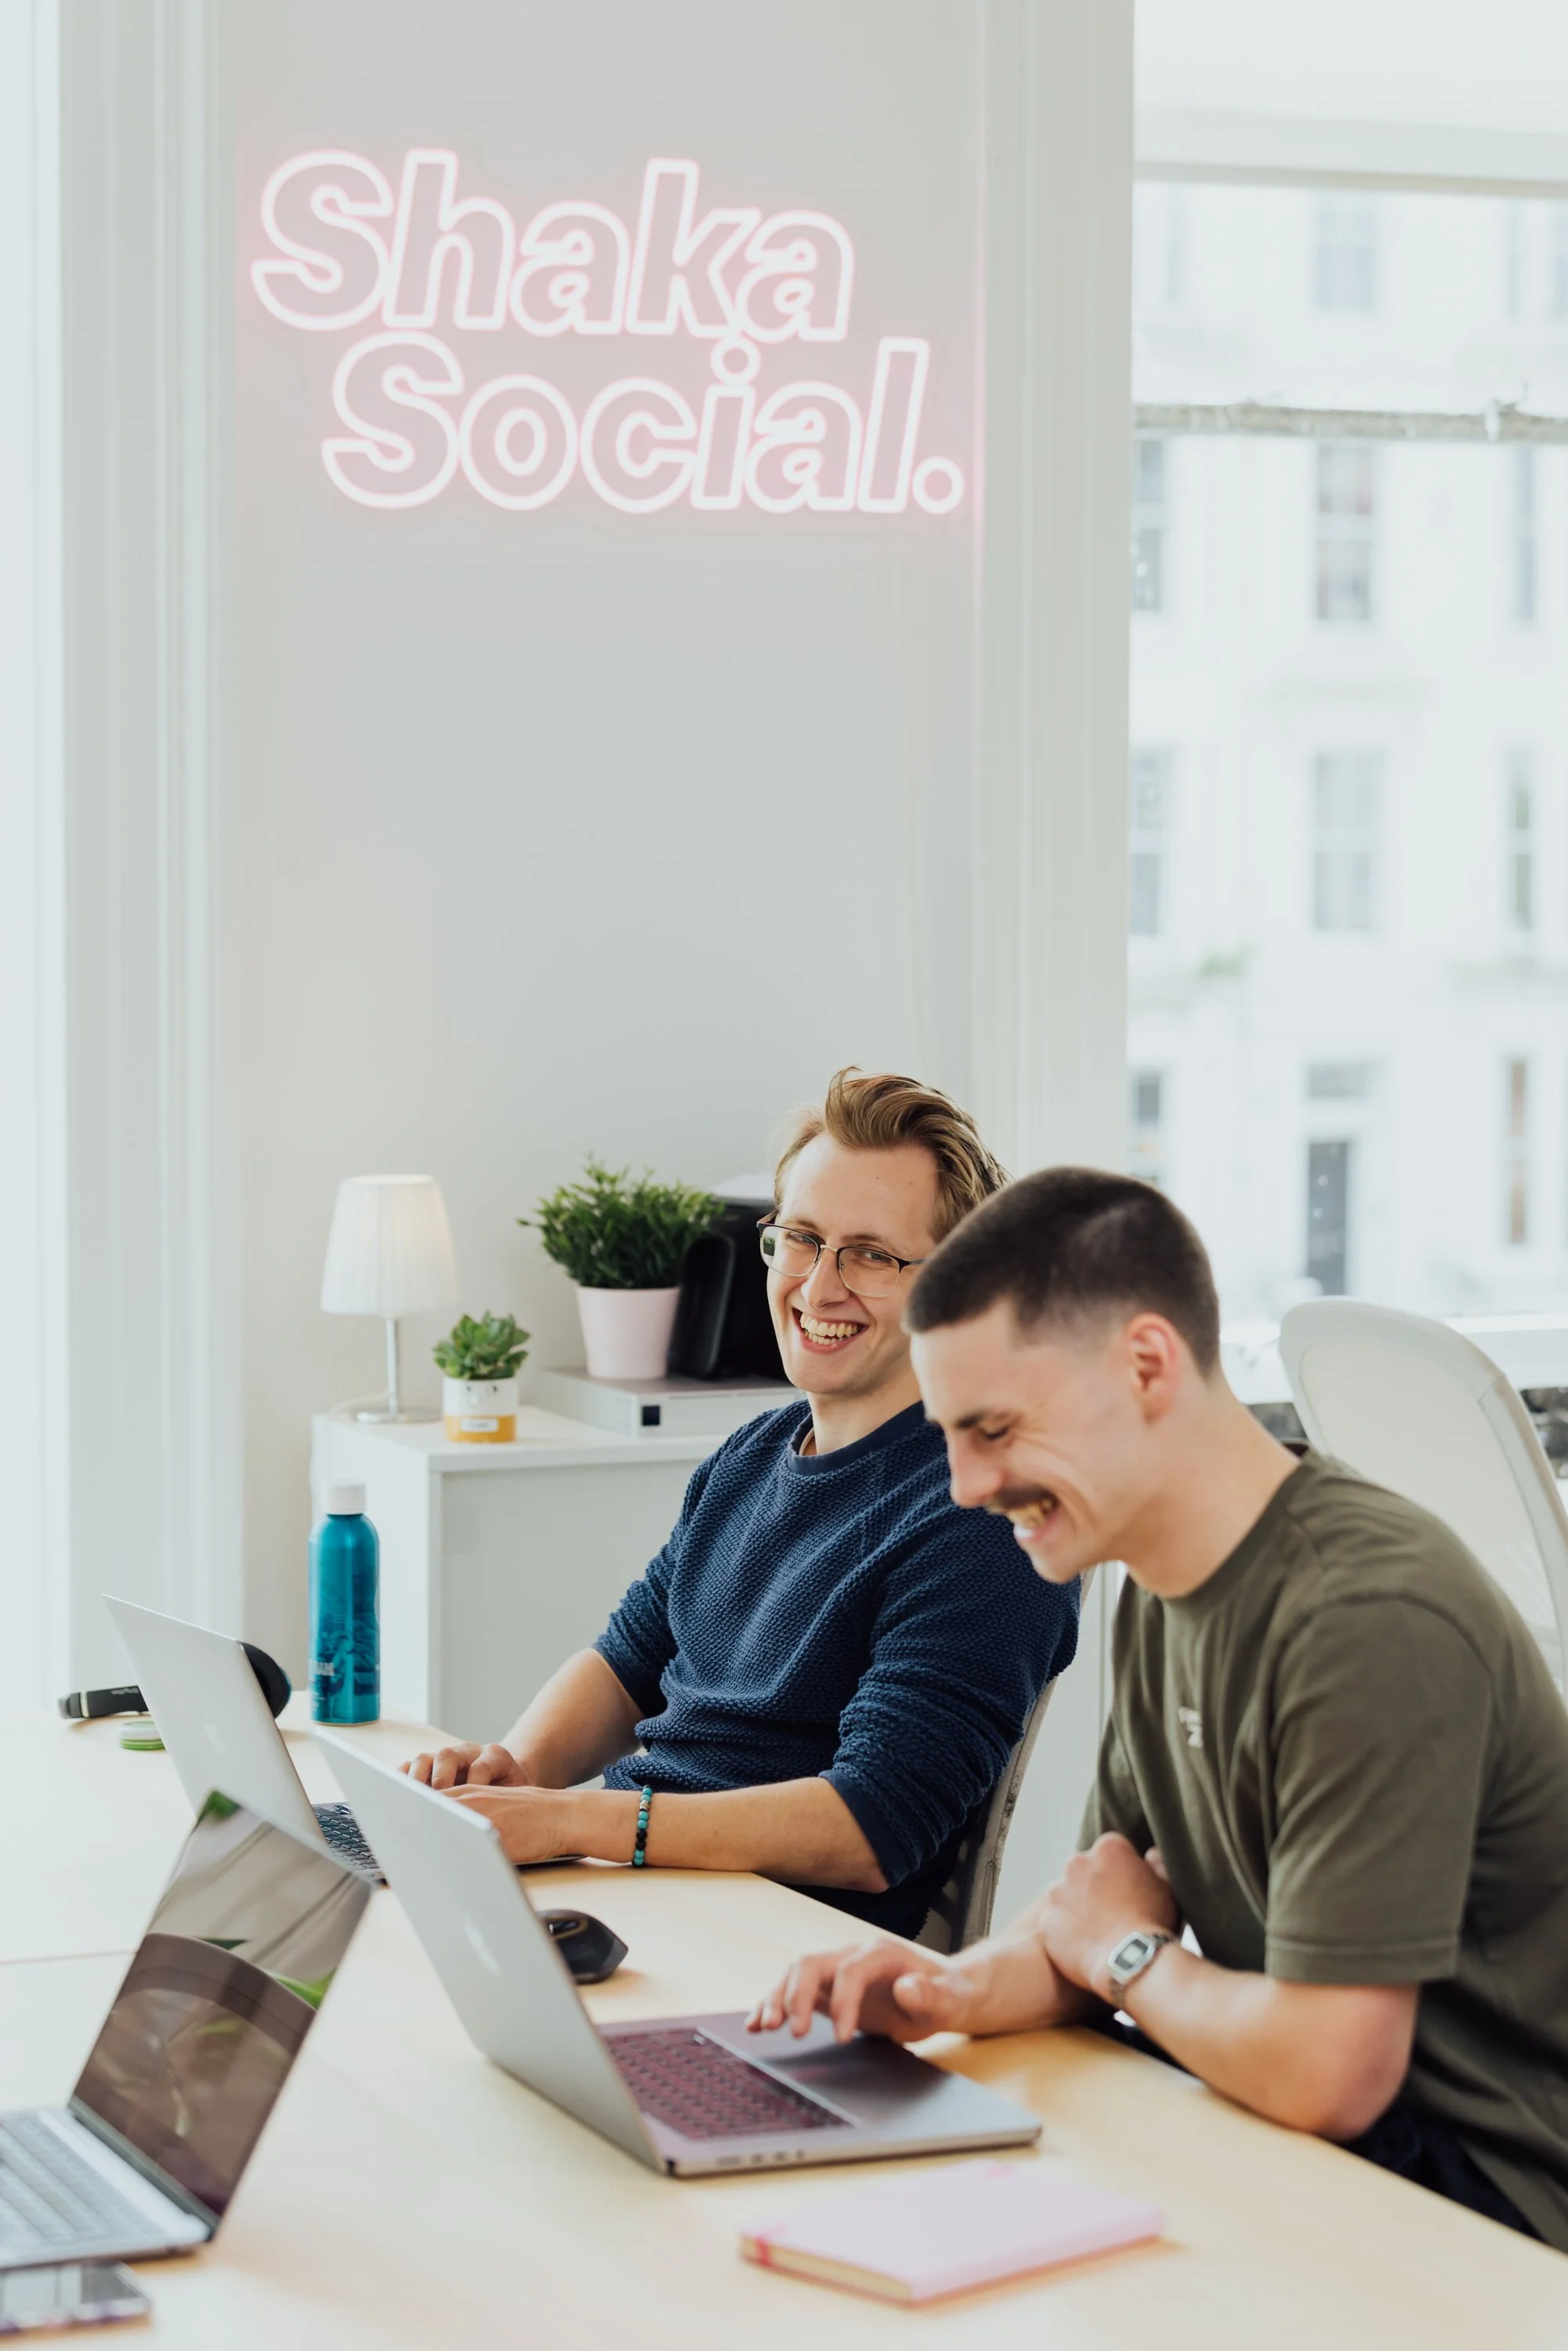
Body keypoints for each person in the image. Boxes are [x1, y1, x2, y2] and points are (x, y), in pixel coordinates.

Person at [750, 1168, 1568, 2246]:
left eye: (993, 1429)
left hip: (1469, 2210)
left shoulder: (1365, 1616)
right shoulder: (1155, 1584)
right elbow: (1092, 1912)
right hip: (1281, 2138)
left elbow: (1326, 2071)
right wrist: (945, 1991)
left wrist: (1131, 1961)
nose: (963, 1485)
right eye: (950, 1434)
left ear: (1146, 1364)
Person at [403, 1071, 1079, 1939]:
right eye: (802, 1238)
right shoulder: (753, 1454)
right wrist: (513, 1772)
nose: (820, 1286)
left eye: (871, 1254)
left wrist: (574, 1823)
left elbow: (875, 1826)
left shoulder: (984, 1514)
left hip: (772, 1951)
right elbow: (627, 1662)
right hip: (641, 1894)